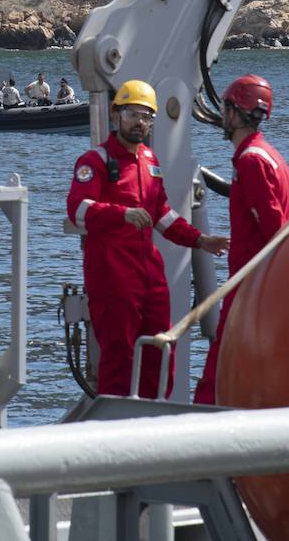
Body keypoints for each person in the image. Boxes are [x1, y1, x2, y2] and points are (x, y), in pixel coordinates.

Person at [66, 80, 228, 398]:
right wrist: (121, 214)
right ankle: (116, 424)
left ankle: (155, 417)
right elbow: (78, 211)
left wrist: (199, 240)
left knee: (159, 349)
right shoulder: (95, 162)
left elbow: (162, 215)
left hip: (149, 277)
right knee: (119, 357)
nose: (140, 122)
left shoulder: (150, 161)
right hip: (113, 277)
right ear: (116, 117)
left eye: (147, 116)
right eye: (133, 114)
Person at [192, 74, 289, 405]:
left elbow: (274, 228)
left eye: (225, 109)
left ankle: (193, 434)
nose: (222, 116)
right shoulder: (269, 155)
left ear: (235, 113)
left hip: (251, 282)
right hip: (260, 280)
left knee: (221, 363)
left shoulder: (251, 161)